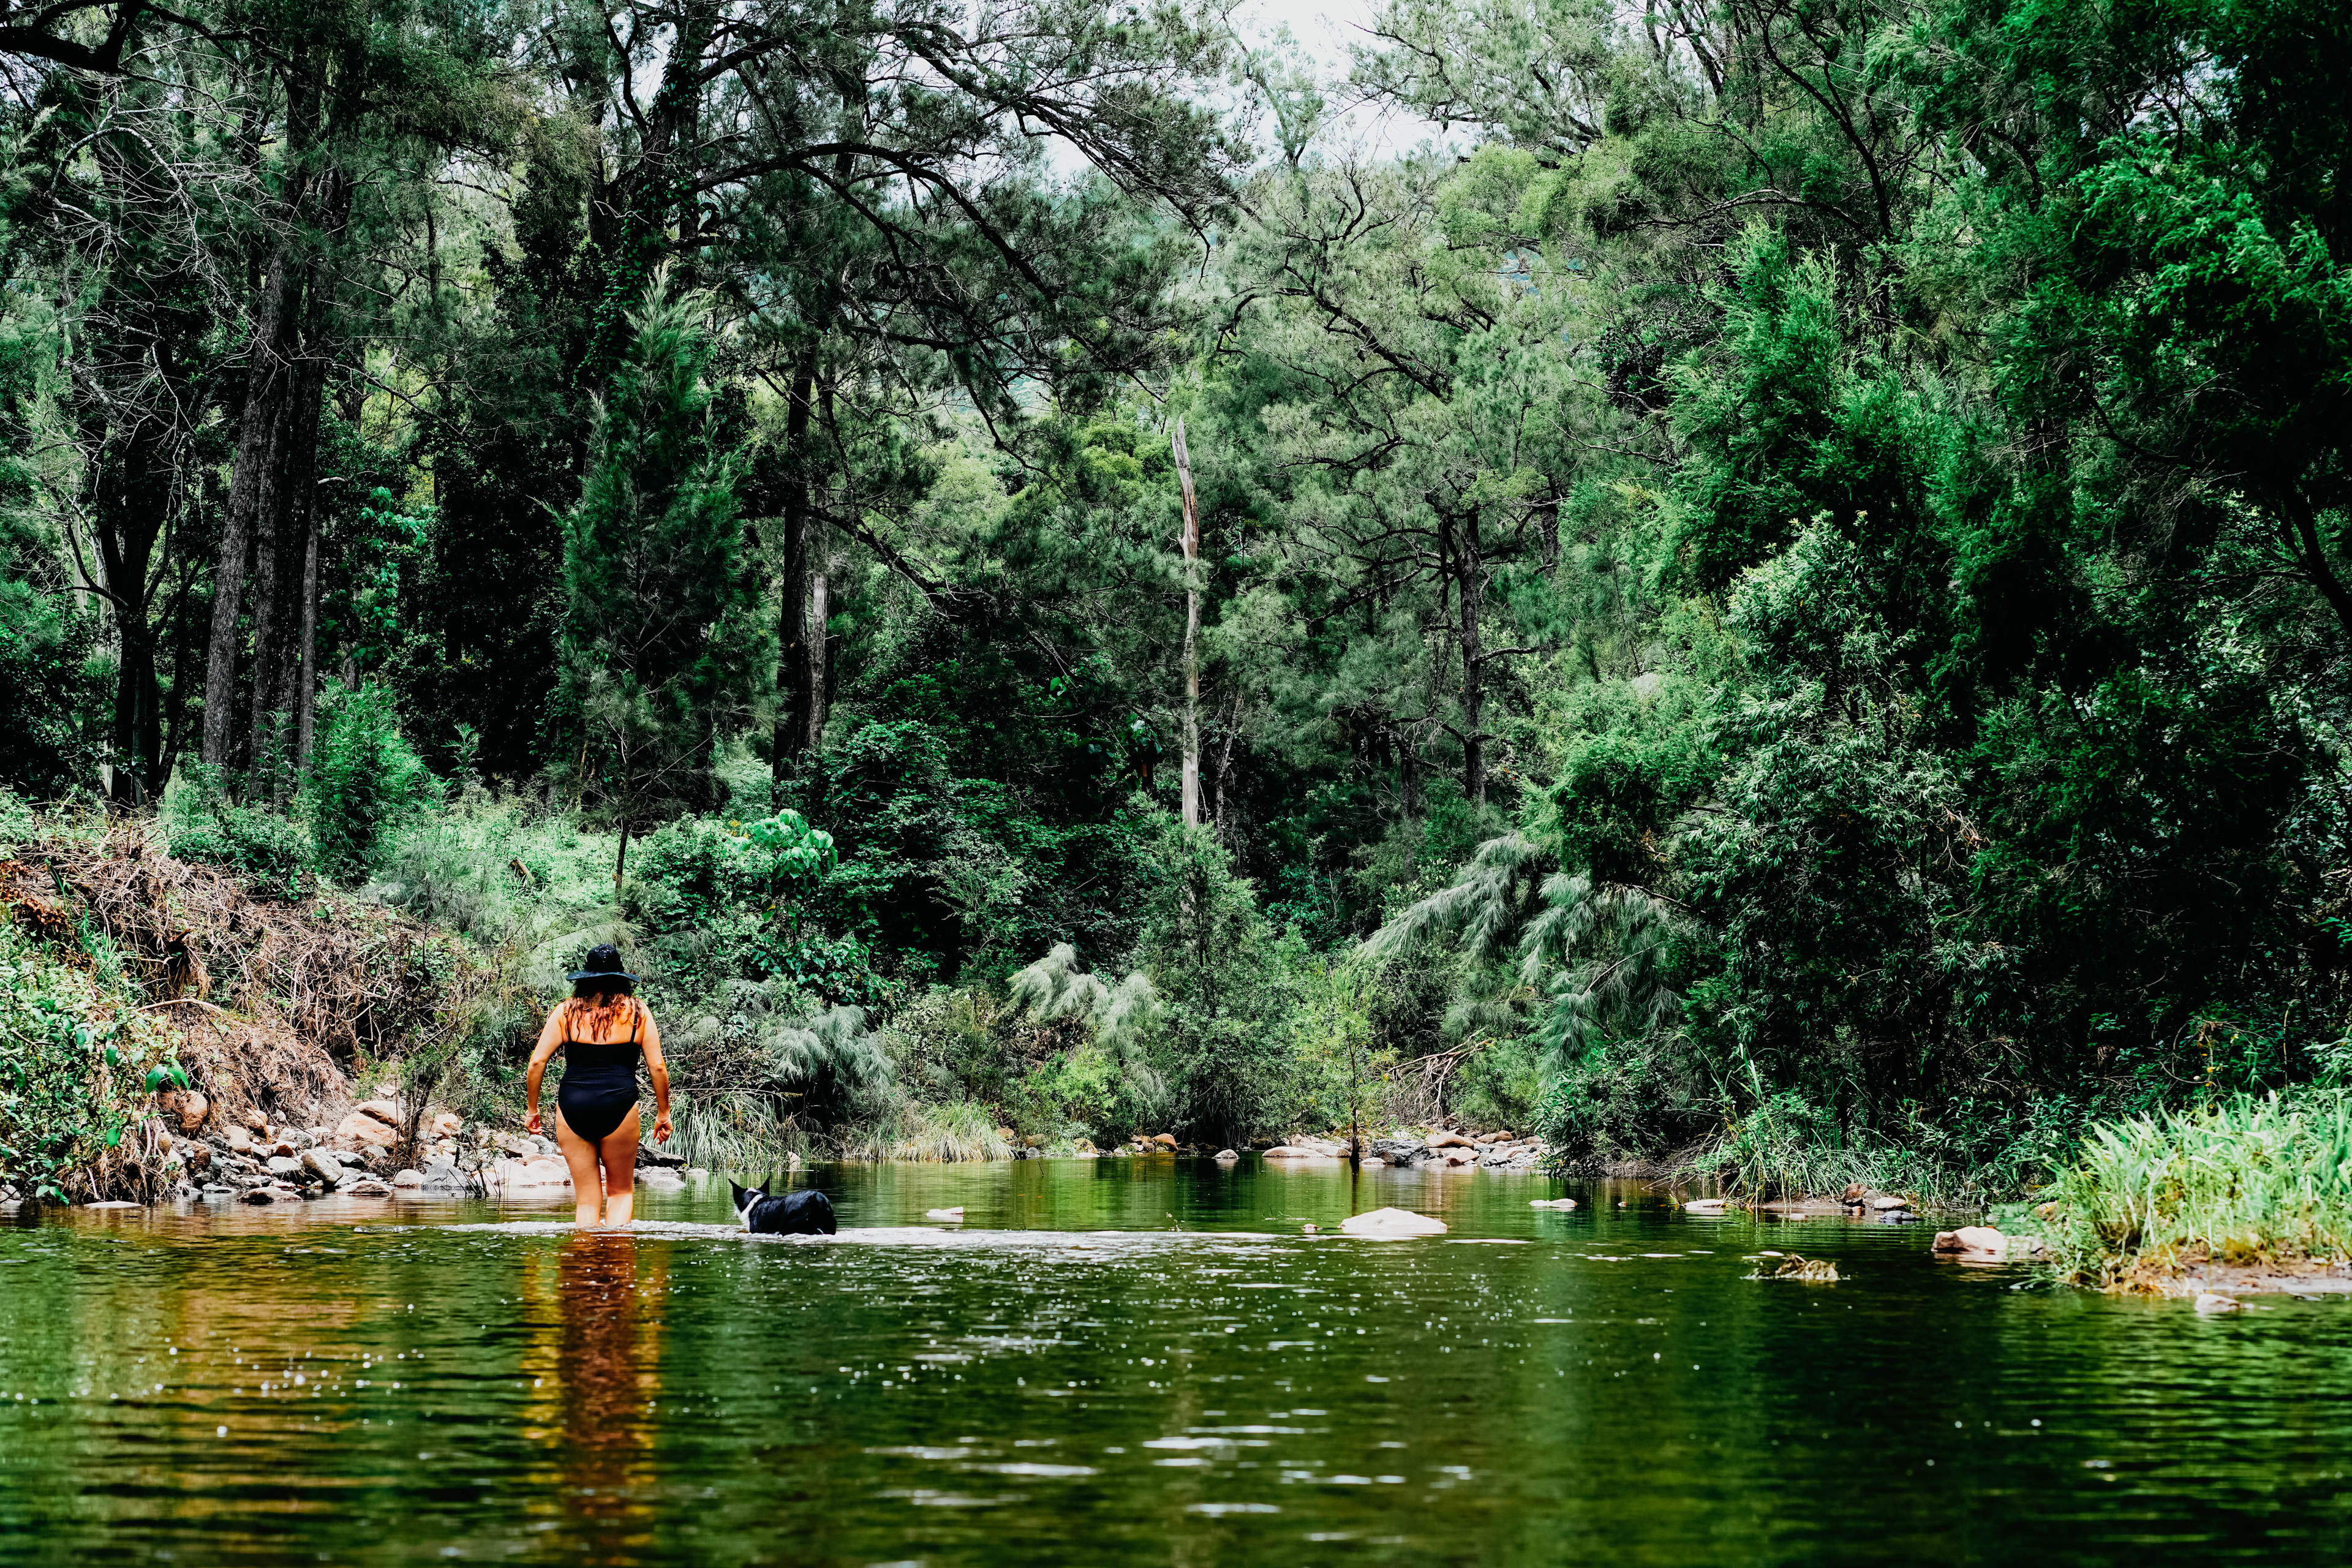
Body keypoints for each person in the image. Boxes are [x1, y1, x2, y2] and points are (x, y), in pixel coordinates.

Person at [525, 944, 673, 1226]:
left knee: (587, 1199)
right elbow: (657, 1067)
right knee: (620, 1192)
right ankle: (616, 1264)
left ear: (585, 978)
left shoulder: (565, 1012)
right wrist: (663, 1113)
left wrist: (533, 1110)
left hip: (572, 1106)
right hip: (620, 1105)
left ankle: (586, 1263)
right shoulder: (638, 1013)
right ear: (621, 978)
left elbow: (537, 1063)